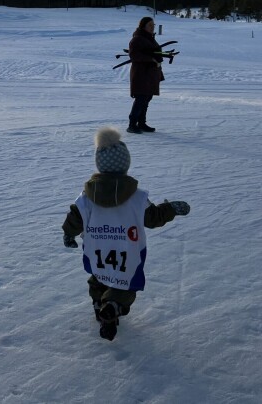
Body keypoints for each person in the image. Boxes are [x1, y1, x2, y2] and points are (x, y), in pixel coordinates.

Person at [61, 126, 190, 340]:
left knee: (98, 277)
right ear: (125, 166)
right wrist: (171, 208)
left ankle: (98, 302)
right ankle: (112, 305)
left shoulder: (85, 198)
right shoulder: (137, 198)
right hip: (126, 253)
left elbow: (75, 217)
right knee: (124, 282)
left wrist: (68, 234)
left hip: (97, 251)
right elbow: (153, 218)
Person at [127, 17, 163, 133]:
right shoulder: (137, 39)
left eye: (154, 25)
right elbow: (134, 56)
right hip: (141, 74)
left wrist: (157, 59)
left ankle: (142, 123)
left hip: (150, 74)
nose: (152, 27)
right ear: (143, 26)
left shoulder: (150, 38)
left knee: (147, 98)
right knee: (141, 98)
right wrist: (151, 59)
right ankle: (132, 124)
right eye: (150, 25)